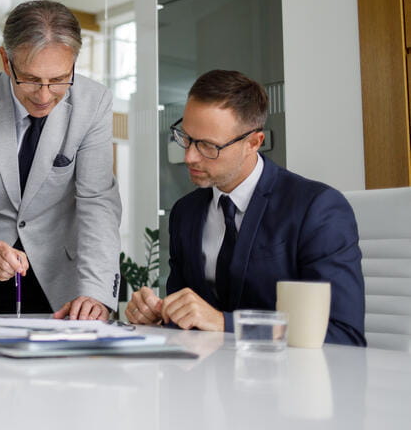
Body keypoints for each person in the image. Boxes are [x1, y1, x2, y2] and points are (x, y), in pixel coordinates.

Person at [125, 69, 366, 346]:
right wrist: (159, 316)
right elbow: (189, 320)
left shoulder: (316, 209)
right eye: (186, 138)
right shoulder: (185, 212)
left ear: (253, 143)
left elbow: (341, 335)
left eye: (207, 146)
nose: (189, 156)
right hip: (201, 380)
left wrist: (224, 324)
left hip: (287, 382)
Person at [0, 0, 122, 320]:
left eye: (59, 79)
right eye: (30, 79)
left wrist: (96, 292)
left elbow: (97, 201)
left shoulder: (93, 103)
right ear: (6, 60)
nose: (44, 96)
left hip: (61, 279)